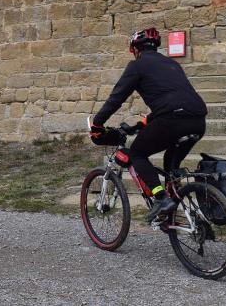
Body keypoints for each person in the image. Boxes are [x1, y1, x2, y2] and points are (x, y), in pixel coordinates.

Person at [89, 28, 208, 223]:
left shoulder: (138, 66)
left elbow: (116, 98)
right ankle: (184, 210)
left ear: (135, 49)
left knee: (137, 154)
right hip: (197, 121)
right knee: (171, 165)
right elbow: (175, 100)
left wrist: (97, 124)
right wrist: (141, 124)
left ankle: (161, 198)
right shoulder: (172, 64)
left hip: (171, 121)